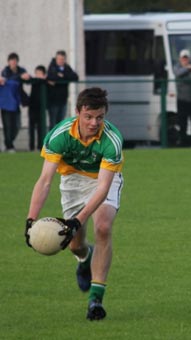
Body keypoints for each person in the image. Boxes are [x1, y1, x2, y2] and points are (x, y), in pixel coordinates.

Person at [25, 87, 124, 320]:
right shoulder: (59, 135)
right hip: (71, 181)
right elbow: (45, 181)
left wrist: (78, 220)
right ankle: (84, 257)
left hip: (101, 179)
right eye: (88, 116)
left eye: (100, 117)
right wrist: (30, 220)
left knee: (103, 227)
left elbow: (102, 189)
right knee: (75, 245)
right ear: (78, 111)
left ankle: (95, 301)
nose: (94, 123)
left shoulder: (112, 140)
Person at [0, 52, 30, 152]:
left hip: (16, 102)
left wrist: (27, 76)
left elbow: (26, 77)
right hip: (6, 104)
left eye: (15, 61)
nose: (13, 63)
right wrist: (20, 77)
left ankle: (9, 142)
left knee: (17, 125)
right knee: (8, 126)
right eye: (11, 61)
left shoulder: (21, 70)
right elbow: (9, 79)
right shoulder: (5, 71)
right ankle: (9, 146)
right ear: (8, 62)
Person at [47, 50, 79, 129]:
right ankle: (51, 141)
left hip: (63, 99)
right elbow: (50, 77)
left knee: (61, 123)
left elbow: (75, 77)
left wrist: (62, 75)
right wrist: (61, 77)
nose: (60, 61)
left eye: (62, 59)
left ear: (65, 59)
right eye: (59, 59)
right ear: (56, 59)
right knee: (53, 124)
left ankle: (59, 141)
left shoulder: (67, 68)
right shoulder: (52, 67)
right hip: (53, 100)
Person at [28, 65, 47, 151]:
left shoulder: (45, 82)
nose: (38, 75)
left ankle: (40, 146)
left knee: (40, 128)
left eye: (40, 73)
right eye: (37, 73)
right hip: (32, 107)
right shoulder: (34, 81)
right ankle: (31, 146)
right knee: (31, 128)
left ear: (43, 74)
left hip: (41, 108)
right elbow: (27, 80)